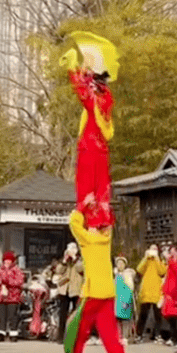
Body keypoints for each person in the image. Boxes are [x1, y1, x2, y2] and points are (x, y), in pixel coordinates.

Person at [58, 209, 131, 353]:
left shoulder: (88, 241)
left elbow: (74, 224)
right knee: (109, 333)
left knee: (79, 331)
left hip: (92, 293)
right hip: (107, 292)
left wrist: (80, 209)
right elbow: (108, 222)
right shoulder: (106, 240)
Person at [62, 47, 115, 230]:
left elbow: (82, 93)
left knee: (87, 187)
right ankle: (102, 221)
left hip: (90, 148)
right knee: (102, 189)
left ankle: (91, 222)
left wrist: (72, 67)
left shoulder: (96, 100)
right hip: (100, 149)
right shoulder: (106, 98)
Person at [135, 244, 166, 343]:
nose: (153, 251)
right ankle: (139, 334)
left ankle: (157, 335)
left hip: (157, 291)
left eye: (155, 249)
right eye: (151, 249)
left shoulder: (160, 260)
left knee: (158, 316)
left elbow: (162, 271)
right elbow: (139, 269)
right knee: (143, 314)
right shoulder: (146, 260)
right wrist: (145, 257)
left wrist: (157, 259)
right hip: (146, 291)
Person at [53, 243, 83, 343]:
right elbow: (58, 271)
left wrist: (74, 258)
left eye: (73, 249)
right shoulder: (64, 260)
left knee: (75, 314)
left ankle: (75, 337)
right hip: (64, 289)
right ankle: (60, 337)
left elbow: (81, 269)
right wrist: (64, 261)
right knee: (62, 314)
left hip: (76, 289)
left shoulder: (80, 259)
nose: (71, 251)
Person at [0, 251, 25, 342]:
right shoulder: (0, 269)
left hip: (13, 296)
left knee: (12, 316)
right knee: (1, 316)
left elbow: (20, 282)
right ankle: (1, 333)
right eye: (6, 260)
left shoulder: (17, 270)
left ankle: (13, 334)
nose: (7, 262)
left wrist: (8, 282)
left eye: (9, 260)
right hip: (2, 296)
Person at [113, 256, 136, 345]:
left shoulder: (127, 275)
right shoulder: (116, 276)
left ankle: (126, 337)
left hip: (125, 300)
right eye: (118, 263)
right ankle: (119, 336)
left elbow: (129, 289)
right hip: (117, 301)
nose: (120, 265)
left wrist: (126, 301)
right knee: (118, 320)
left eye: (122, 263)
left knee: (126, 320)